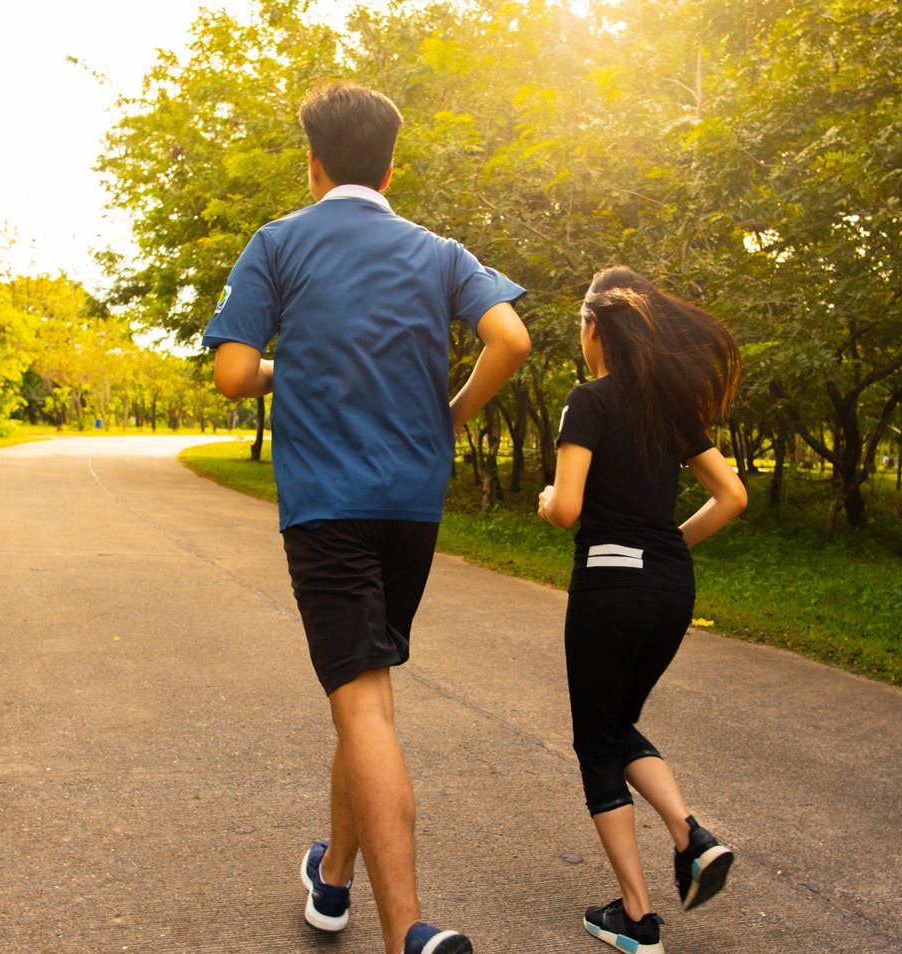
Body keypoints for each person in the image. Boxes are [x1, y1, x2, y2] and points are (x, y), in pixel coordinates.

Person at [203, 80, 531, 954]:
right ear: (392, 167)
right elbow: (513, 339)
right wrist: (451, 414)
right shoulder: (439, 250)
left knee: (366, 708)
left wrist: (291, 372)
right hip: (413, 507)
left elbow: (235, 374)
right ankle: (333, 883)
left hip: (329, 508)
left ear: (311, 163)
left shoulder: (278, 243)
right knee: (366, 697)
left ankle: (410, 932)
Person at [536, 266, 746, 953]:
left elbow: (567, 509)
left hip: (610, 584)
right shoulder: (670, 405)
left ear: (596, 330)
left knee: (597, 742)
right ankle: (692, 837)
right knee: (616, 725)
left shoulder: (588, 400)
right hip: (671, 589)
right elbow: (733, 497)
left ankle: (636, 916)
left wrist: (544, 502)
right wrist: (670, 546)